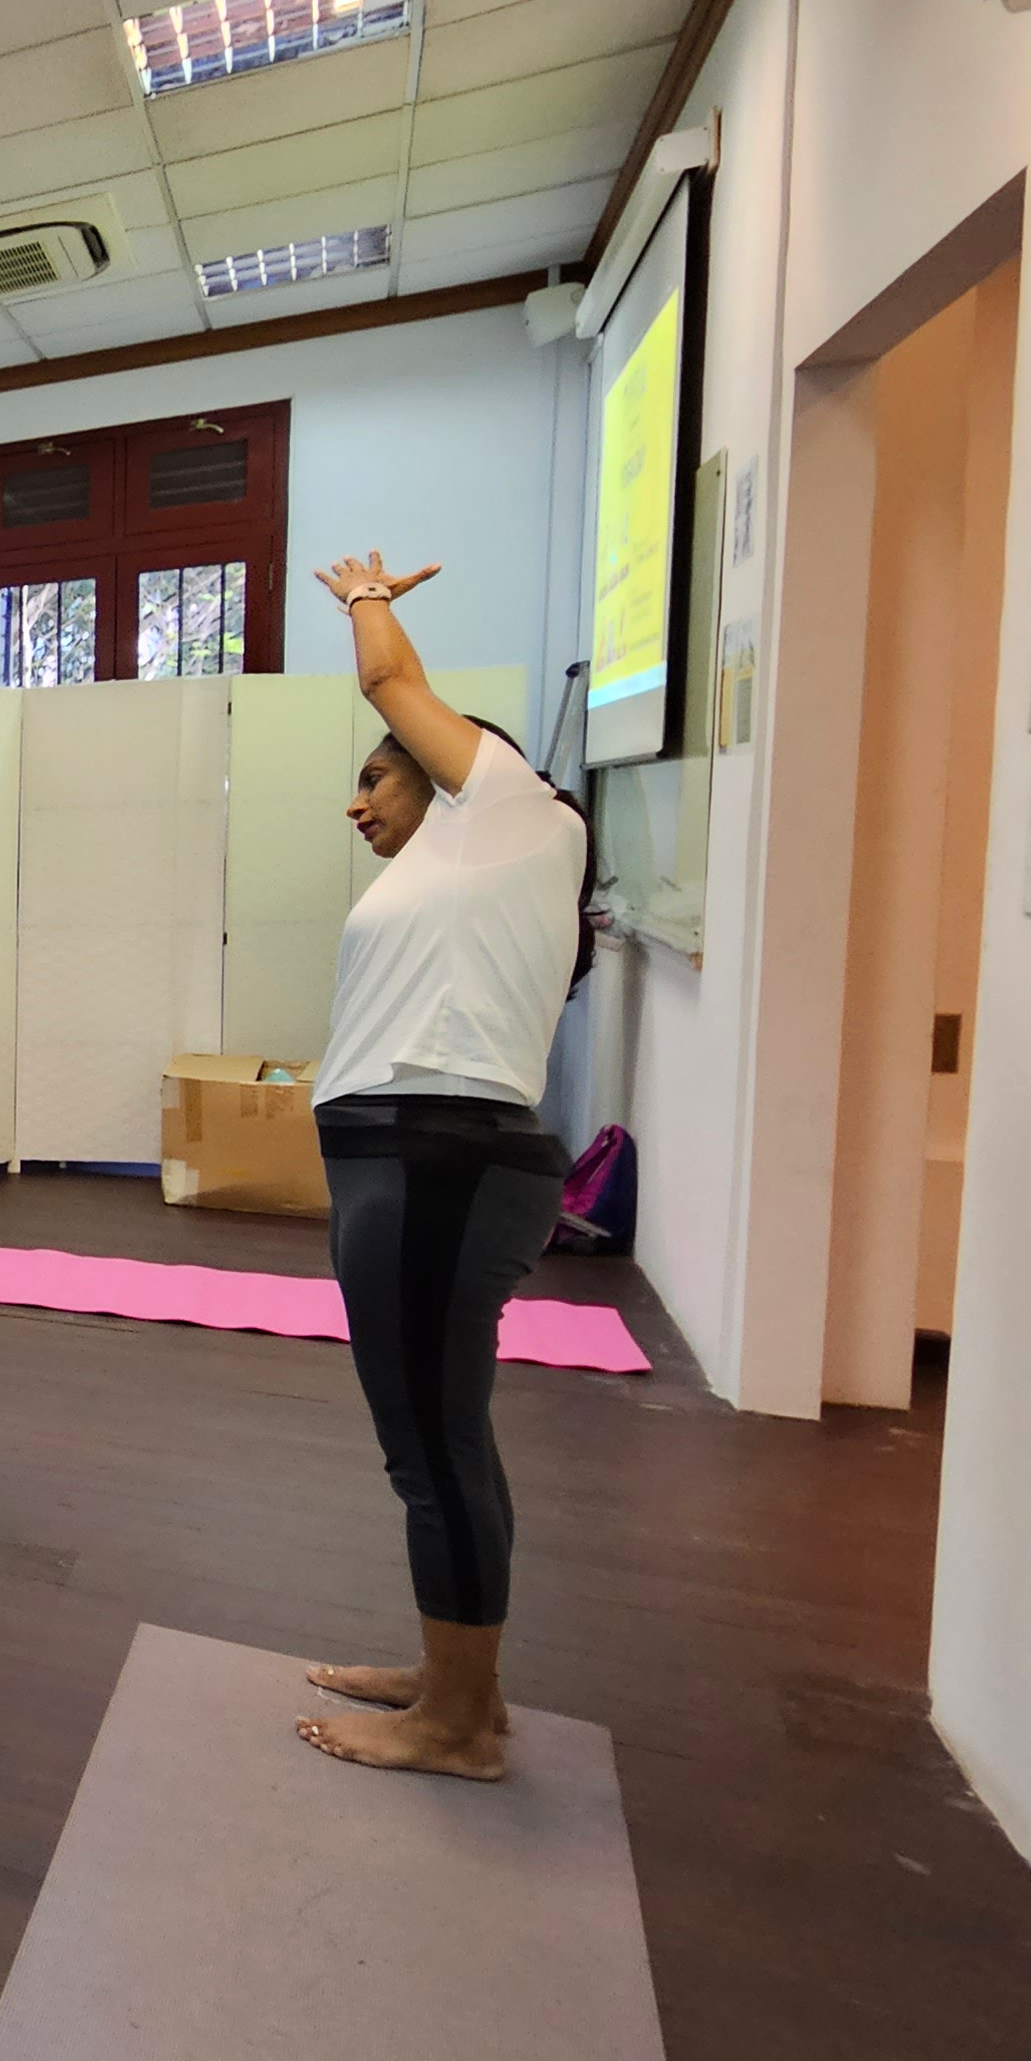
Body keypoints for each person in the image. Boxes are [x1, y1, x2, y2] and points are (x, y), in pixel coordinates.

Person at [295, 550, 597, 1782]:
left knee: (428, 1447)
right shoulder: (465, 861)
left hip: (436, 1164)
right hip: (410, 1164)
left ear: (452, 772)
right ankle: (456, 1676)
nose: (356, 801)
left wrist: (368, 602)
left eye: (374, 778)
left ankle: (457, 1727)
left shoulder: (509, 809)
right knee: (441, 1438)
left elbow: (390, 681)